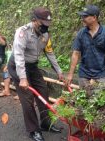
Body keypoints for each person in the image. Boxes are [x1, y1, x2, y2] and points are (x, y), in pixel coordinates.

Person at [8, 7, 63, 141]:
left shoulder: (45, 34)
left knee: (43, 92)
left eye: (48, 25)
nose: (45, 27)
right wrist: (22, 78)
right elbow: (19, 55)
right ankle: (33, 130)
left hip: (32, 66)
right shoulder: (22, 32)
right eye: (43, 24)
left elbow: (49, 52)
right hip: (18, 66)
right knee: (27, 99)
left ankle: (45, 123)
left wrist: (59, 72)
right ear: (34, 20)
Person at [66, 5, 105, 91]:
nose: (82, 18)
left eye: (85, 16)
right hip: (84, 75)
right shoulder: (81, 33)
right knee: (84, 101)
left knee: (102, 101)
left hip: (101, 75)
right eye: (82, 16)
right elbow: (75, 53)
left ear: (94, 17)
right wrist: (70, 74)